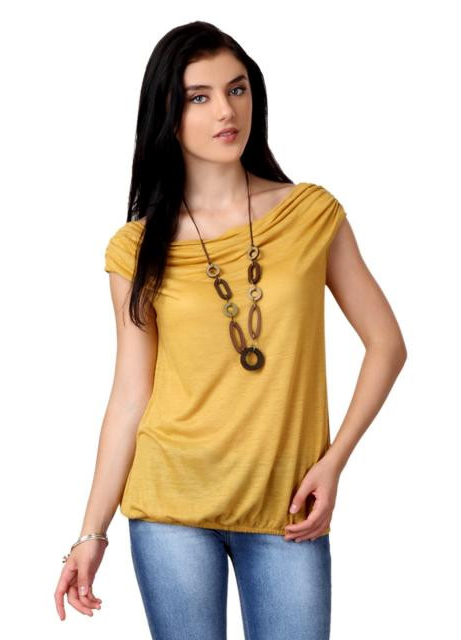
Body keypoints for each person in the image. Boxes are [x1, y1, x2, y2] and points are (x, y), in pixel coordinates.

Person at [54, 21, 407, 639]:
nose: (226, 110)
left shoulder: (310, 214)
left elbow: (387, 345)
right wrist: (91, 532)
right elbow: (131, 395)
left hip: (287, 508)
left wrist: (334, 463)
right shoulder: (135, 248)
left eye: (237, 89)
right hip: (170, 508)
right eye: (200, 96)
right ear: (168, 115)